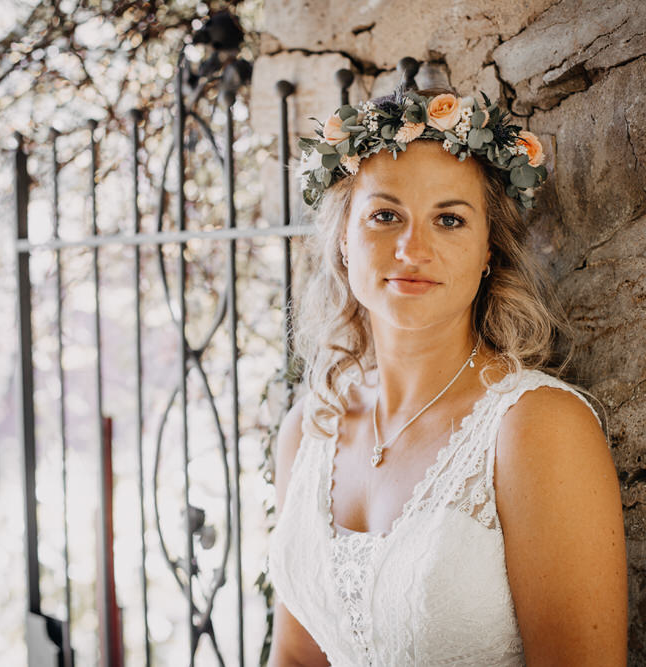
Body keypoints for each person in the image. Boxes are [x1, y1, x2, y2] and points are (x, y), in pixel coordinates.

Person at [266, 84, 627, 666]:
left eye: (450, 220)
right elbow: (296, 656)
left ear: (489, 250)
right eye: (385, 215)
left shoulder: (536, 429)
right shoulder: (307, 429)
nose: (413, 248)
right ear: (342, 238)